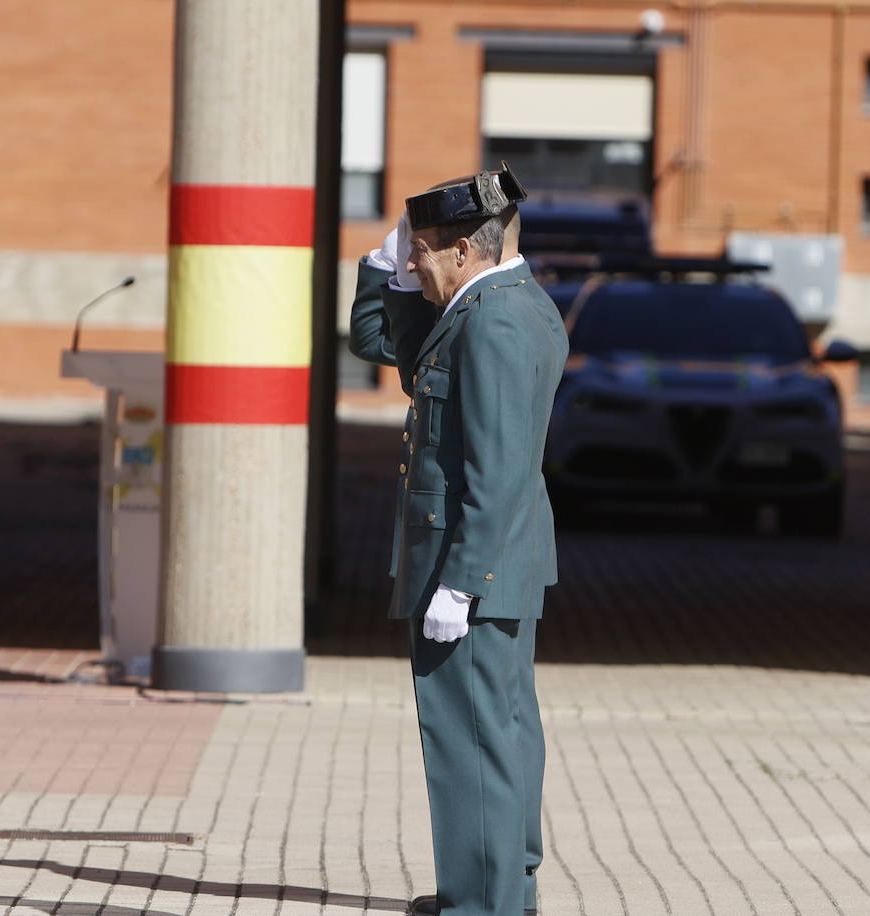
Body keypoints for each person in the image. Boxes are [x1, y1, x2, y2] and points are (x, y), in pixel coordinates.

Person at [369, 169, 566, 916]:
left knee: (471, 740)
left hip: (474, 564)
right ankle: (505, 890)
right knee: (502, 728)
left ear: (461, 250)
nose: (412, 263)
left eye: (419, 252)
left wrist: (462, 581)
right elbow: (400, 355)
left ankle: (484, 903)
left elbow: (500, 467)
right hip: (492, 561)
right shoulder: (505, 303)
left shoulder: (496, 321)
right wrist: (389, 283)